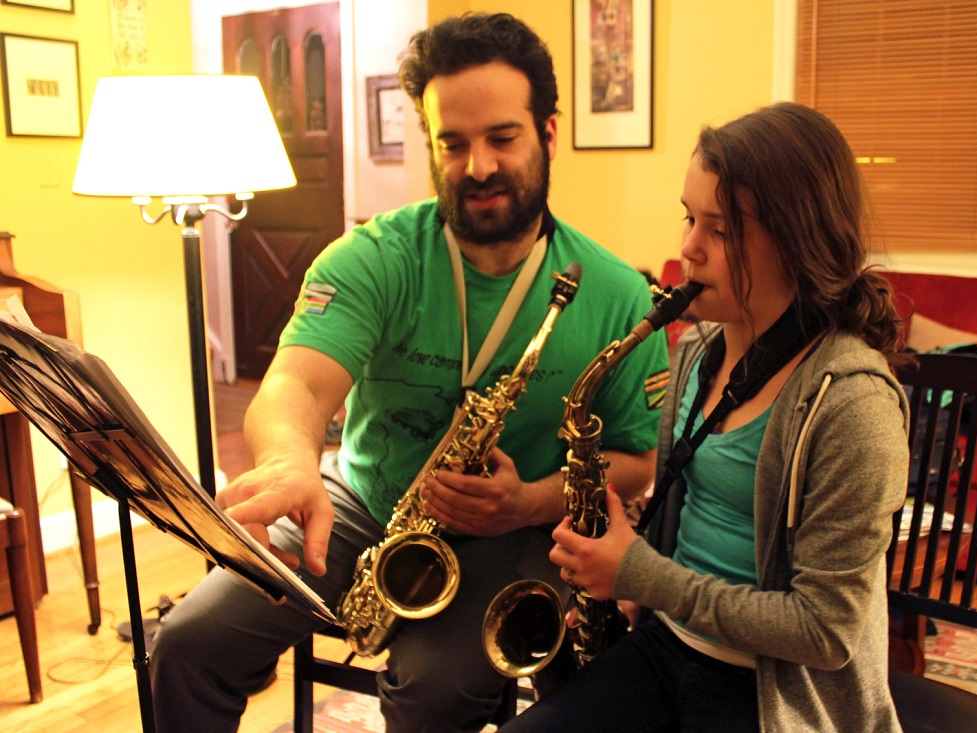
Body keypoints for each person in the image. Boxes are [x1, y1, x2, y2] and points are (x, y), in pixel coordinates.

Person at [149, 13, 668, 733]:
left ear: (548, 135)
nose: (477, 165)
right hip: (361, 502)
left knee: (437, 690)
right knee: (187, 642)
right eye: (451, 143)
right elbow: (297, 382)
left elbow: (639, 461)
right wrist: (292, 460)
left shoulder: (618, 294)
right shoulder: (373, 257)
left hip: (518, 528)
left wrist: (524, 501)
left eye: (502, 138)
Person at [500, 102, 911, 732]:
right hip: (667, 647)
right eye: (690, 218)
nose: (687, 249)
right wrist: (623, 572)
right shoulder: (695, 351)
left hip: (776, 692)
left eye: (721, 230)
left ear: (800, 241)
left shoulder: (854, 407)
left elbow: (826, 632)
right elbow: (682, 517)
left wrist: (642, 572)